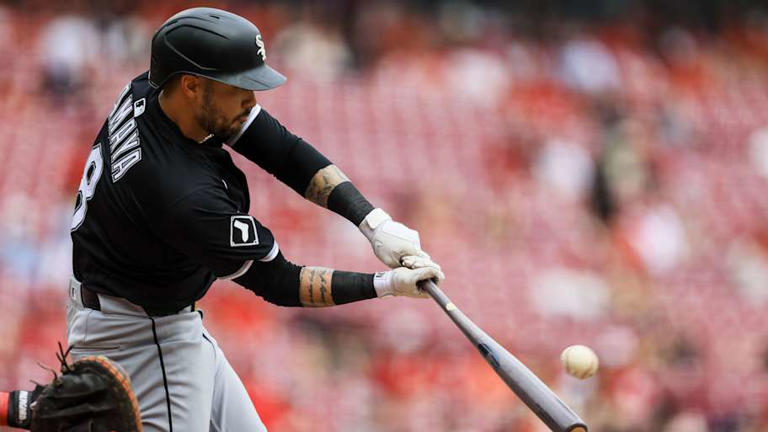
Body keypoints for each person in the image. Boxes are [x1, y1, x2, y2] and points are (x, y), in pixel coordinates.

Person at [66, 7, 443, 432]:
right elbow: (280, 282)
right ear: (191, 85)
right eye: (239, 86)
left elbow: (281, 150)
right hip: (139, 338)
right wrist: (386, 285)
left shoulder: (156, 92)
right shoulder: (181, 195)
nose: (251, 99)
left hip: (148, 316)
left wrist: (371, 221)